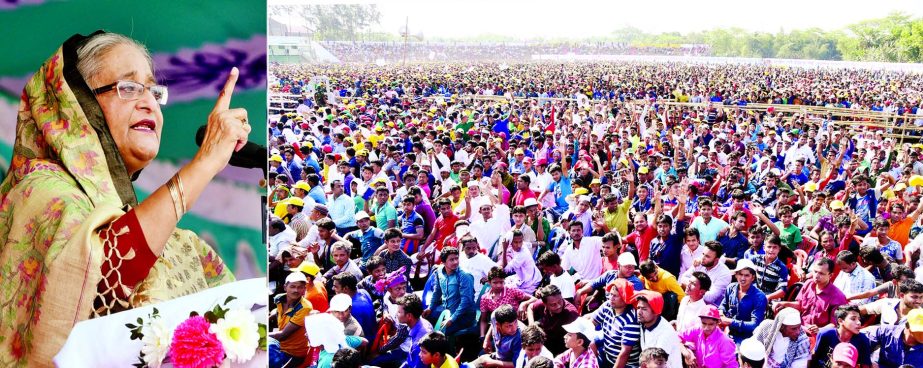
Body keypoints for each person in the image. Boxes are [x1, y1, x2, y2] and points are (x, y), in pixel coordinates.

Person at [0, 31, 246, 364]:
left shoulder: (164, 236)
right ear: (75, 107)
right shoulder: (41, 192)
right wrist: (205, 163)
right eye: (128, 88)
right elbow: (101, 282)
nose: (148, 103)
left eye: (153, 91)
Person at [773, 258, 847, 337]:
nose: (816, 276)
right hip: (799, 328)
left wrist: (820, 329)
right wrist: (784, 304)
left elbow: (836, 323)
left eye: (821, 273)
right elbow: (800, 305)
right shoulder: (809, 283)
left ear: (831, 275)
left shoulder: (838, 297)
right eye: (815, 272)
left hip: (819, 335)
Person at [587, 279, 641, 368]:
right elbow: (591, 323)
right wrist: (591, 343)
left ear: (625, 298)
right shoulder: (607, 305)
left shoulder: (631, 320)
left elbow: (625, 353)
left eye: (615, 296)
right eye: (610, 294)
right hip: (607, 355)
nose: (611, 298)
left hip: (626, 365)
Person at [424, 247, 477, 336]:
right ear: (444, 262)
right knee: (424, 320)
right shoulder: (439, 271)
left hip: (463, 316)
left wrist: (452, 319)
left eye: (456, 258)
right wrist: (430, 307)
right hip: (446, 311)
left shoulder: (465, 275)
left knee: (439, 335)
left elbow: (466, 302)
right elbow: (437, 292)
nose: (455, 262)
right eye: (451, 260)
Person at [269, 272, 314, 366]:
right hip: (280, 346)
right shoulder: (279, 299)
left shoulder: (305, 307)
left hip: (293, 353)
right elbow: (277, 311)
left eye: (300, 287)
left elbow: (282, 335)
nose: (296, 290)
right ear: (285, 287)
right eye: (292, 286)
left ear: (304, 289)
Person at [720, 258, 768, 344]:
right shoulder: (731, 288)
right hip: (727, 331)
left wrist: (730, 322)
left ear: (752, 277)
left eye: (746, 275)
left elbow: (754, 325)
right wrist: (721, 313)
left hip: (746, 337)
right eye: (740, 274)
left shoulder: (760, 297)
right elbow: (723, 305)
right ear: (736, 275)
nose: (742, 278)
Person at [633, 290, 682, 368]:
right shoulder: (644, 321)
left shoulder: (665, 335)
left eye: (644, 309)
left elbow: (656, 364)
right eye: (638, 308)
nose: (639, 312)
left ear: (656, 312)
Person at [398, 294, 434, 368]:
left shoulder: (418, 345)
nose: (396, 314)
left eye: (399, 312)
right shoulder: (422, 322)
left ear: (409, 316)